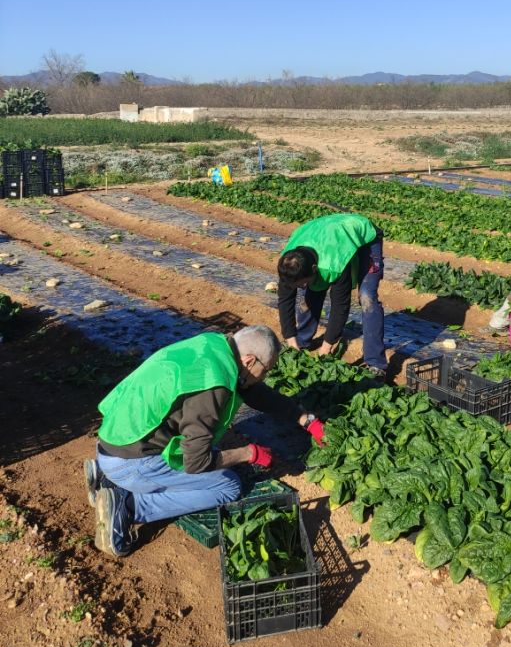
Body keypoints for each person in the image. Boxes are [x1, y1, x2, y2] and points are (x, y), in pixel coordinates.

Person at [83, 325, 325, 557]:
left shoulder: (216, 347)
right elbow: (196, 462)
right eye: (267, 369)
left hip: (115, 439)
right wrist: (248, 453)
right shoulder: (214, 388)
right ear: (250, 360)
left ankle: (108, 476)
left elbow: (254, 391)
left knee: (212, 448)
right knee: (228, 486)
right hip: (131, 461)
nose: (265, 376)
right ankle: (128, 506)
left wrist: (304, 418)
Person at [277, 212, 387, 377]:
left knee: (367, 295)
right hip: (326, 232)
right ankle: (302, 341)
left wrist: (326, 348)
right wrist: (290, 340)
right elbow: (285, 300)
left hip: (364, 237)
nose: (301, 287)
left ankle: (376, 363)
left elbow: (340, 306)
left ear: (315, 268)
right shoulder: (288, 264)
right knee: (313, 288)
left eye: (303, 282)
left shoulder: (334, 263)